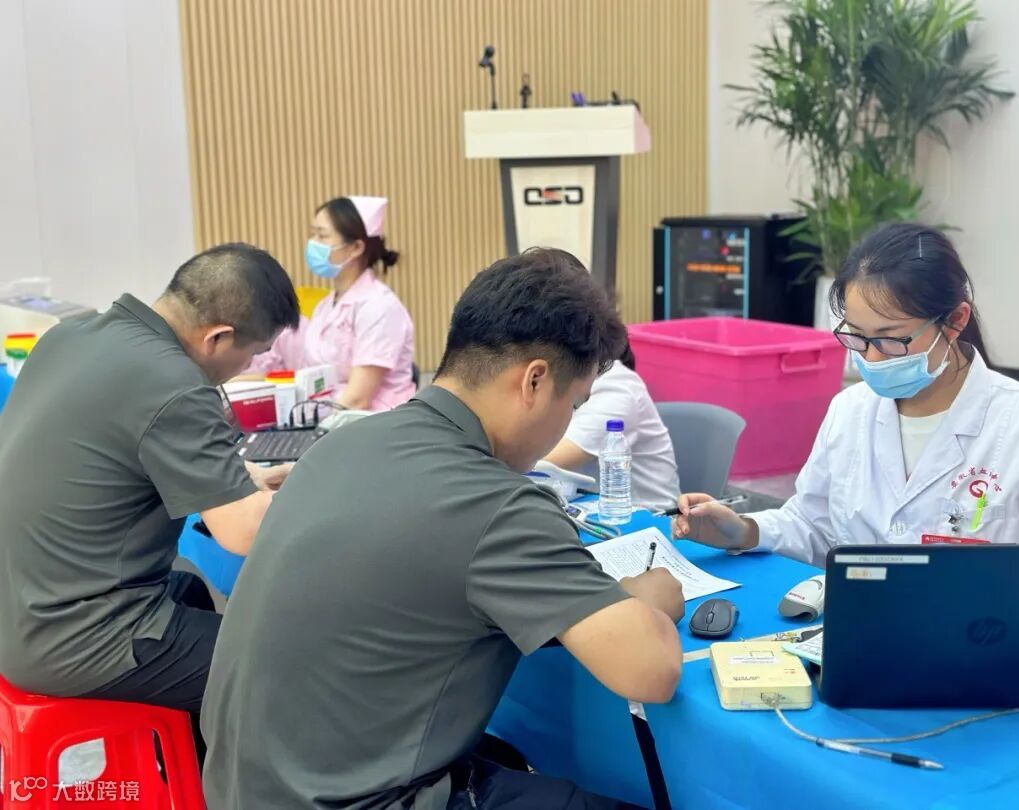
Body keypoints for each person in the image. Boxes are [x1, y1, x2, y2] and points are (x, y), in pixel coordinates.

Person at [201, 248, 685, 809]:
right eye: (573, 405)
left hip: (240, 785)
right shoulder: (497, 503)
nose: (565, 425)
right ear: (534, 381)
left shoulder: (342, 444)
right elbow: (650, 672)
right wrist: (649, 599)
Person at [0, 243, 300, 720]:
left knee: (192, 591)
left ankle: (193, 760)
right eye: (253, 355)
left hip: (22, 615)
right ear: (218, 337)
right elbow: (242, 533)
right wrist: (320, 484)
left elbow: (115, 454)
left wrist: (246, 477)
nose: (247, 368)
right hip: (80, 638)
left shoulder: (71, 335)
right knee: (296, 664)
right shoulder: (175, 384)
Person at [673, 223, 1019, 567]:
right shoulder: (849, 410)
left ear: (955, 320)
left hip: (980, 633)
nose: (871, 358)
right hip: (859, 622)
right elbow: (812, 524)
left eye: (890, 339)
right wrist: (744, 530)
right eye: (857, 337)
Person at [249, 195, 416, 411]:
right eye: (312, 234)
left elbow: (358, 400)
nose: (313, 243)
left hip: (373, 421)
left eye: (322, 236)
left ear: (356, 248)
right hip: (331, 415)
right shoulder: (325, 306)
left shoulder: (379, 307)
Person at [545, 341, 680, 511]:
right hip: (584, 508)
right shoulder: (558, 378)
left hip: (644, 515)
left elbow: (547, 463)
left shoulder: (617, 386)